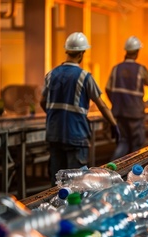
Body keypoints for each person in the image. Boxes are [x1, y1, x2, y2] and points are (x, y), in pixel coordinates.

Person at [40, 32, 120, 186]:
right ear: (82, 53)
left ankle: (55, 209)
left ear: (67, 51)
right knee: (77, 184)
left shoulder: (51, 75)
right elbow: (101, 104)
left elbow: (43, 102)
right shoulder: (85, 76)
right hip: (76, 135)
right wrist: (113, 124)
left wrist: (55, 116)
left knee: (57, 183)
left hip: (54, 134)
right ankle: (75, 210)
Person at [106, 36, 148, 160]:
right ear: (137, 52)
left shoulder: (116, 69)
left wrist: (115, 103)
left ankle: (111, 170)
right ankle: (133, 173)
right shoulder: (141, 70)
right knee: (136, 145)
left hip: (119, 113)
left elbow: (107, 89)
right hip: (135, 114)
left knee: (123, 142)